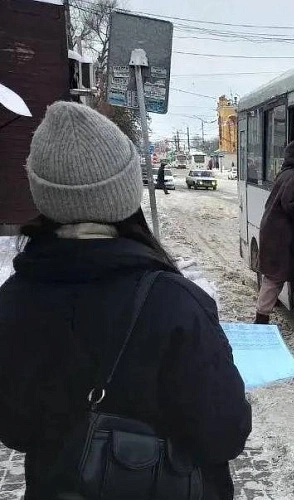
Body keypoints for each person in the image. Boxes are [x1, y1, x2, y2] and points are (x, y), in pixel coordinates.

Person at [0, 102, 252, 499]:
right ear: (126, 193)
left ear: (42, 195)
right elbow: (224, 434)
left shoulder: (12, 301)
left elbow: (13, 429)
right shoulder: (175, 304)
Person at [255, 138, 294, 324]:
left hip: (274, 234)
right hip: (281, 237)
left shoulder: (285, 173)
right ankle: (261, 318)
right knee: (275, 278)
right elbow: (291, 204)